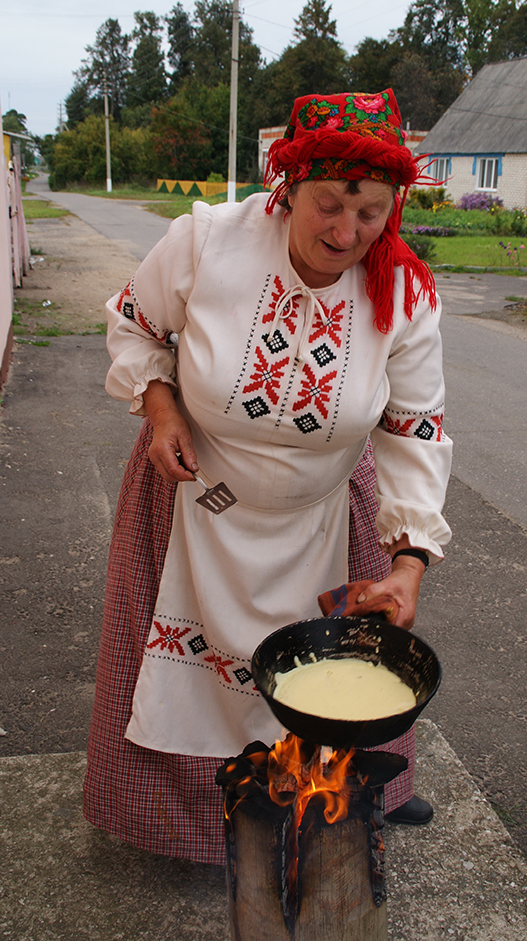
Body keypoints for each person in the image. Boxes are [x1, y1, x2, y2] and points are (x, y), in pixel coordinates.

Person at [84, 89, 452, 864]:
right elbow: (135, 322)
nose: (346, 233)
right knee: (185, 667)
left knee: (342, 663)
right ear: (288, 188)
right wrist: (161, 407)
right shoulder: (206, 241)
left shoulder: (405, 294)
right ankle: (179, 825)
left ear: (395, 206)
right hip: (193, 492)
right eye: (329, 205)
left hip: (321, 510)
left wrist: (410, 559)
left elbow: (414, 426)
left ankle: (359, 796)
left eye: (372, 213)